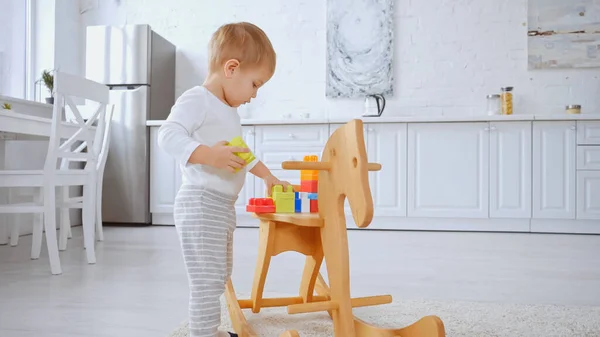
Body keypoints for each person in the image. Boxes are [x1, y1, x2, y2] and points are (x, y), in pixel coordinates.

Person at [157, 22, 290, 337]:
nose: (254, 95)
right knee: (206, 277)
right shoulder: (197, 99)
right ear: (232, 68)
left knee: (218, 274)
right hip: (201, 203)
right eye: (254, 84)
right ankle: (203, 333)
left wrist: (268, 176)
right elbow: (168, 135)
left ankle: (209, 330)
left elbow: (241, 153)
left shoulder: (228, 111)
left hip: (220, 206)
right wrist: (206, 154)